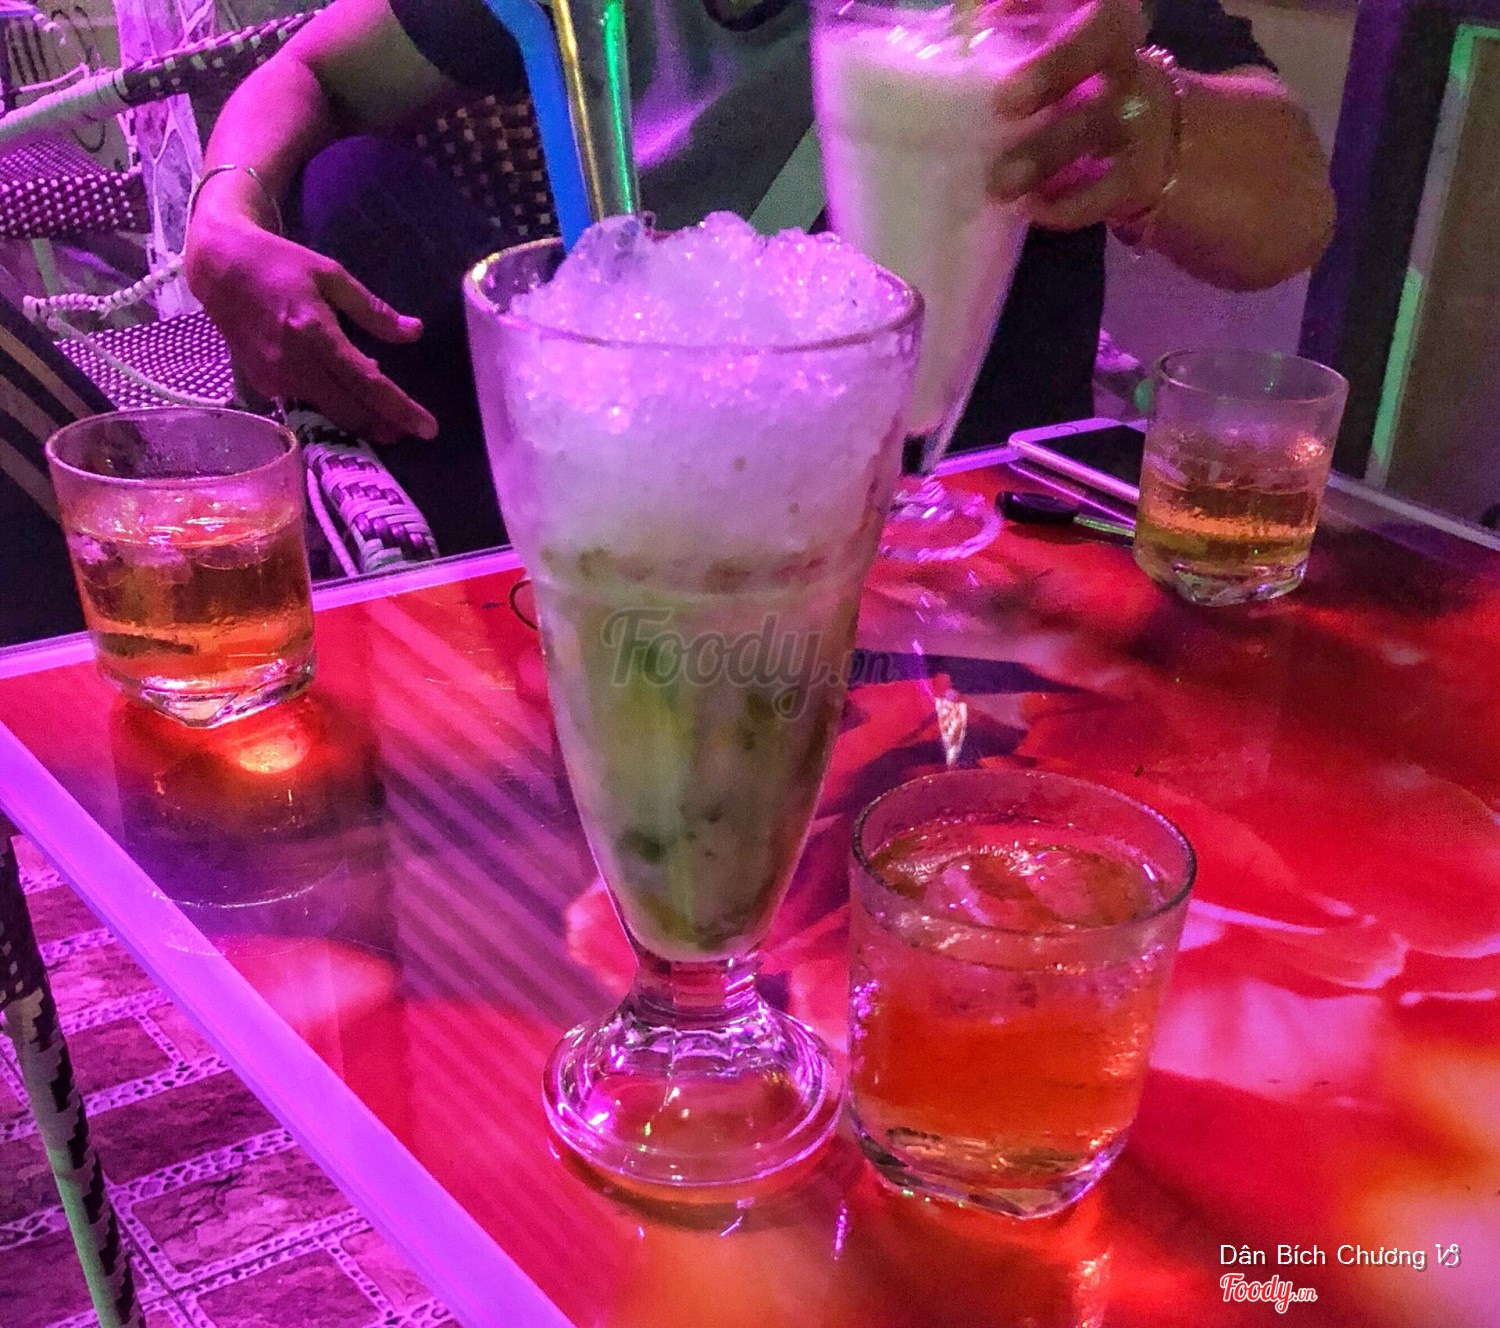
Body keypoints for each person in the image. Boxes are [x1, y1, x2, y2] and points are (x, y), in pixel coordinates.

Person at [185, 0, 1334, 553]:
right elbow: (313, 69)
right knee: (349, 187)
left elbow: (1290, 213)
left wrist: (1142, 119)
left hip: (949, 558)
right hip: (662, 522)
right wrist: (227, 212)